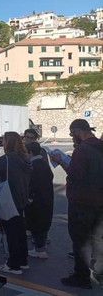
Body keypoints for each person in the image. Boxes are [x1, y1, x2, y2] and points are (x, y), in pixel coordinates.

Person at [50, 119, 103, 290]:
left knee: (80, 241)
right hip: (99, 201)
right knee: (97, 239)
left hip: (82, 203)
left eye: (72, 134)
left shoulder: (82, 150)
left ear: (78, 131)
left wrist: (61, 160)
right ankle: (99, 274)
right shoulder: (100, 145)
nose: (72, 138)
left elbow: (75, 175)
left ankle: (82, 278)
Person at [0, 131, 32, 275]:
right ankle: (23, 261)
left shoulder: (6, 159)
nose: (2, 143)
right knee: (20, 231)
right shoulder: (24, 158)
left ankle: (14, 264)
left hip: (9, 199)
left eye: (4, 141)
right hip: (21, 198)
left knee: (11, 233)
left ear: (9, 143)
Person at [24, 141, 54, 259]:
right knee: (42, 224)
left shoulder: (34, 166)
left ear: (30, 152)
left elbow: (32, 185)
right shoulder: (43, 164)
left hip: (37, 201)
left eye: (25, 152)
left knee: (37, 225)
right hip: (45, 199)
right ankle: (40, 248)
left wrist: (29, 197)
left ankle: (40, 250)